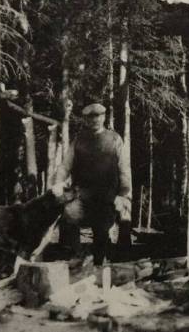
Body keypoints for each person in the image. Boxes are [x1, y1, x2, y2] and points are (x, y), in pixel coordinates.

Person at [53, 102, 132, 266]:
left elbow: (124, 168)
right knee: (68, 214)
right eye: (90, 117)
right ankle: (75, 257)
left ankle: (100, 263)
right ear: (86, 120)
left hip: (106, 197)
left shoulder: (114, 139)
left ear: (104, 117)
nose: (95, 120)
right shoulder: (79, 141)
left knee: (102, 228)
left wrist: (124, 195)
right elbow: (65, 166)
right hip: (82, 196)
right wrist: (58, 183)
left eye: (98, 116)